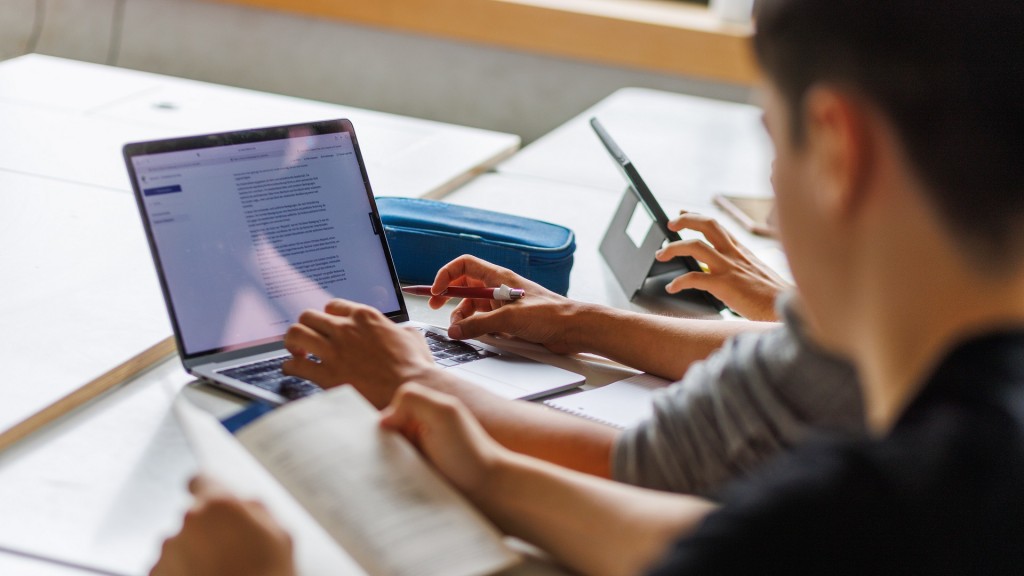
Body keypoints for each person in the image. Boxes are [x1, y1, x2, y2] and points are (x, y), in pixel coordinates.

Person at [157, 0, 1024, 571]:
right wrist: (493, 473)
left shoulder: (903, 509)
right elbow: (714, 539)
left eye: (775, 139)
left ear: (837, 151)